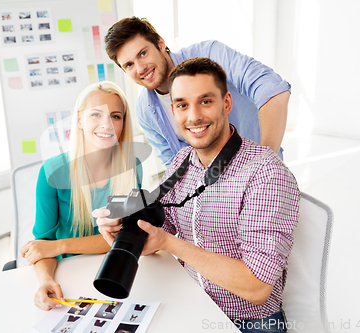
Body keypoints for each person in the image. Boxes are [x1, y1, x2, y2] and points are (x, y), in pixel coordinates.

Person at [94, 58, 299, 332]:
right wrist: (122, 224)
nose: (193, 117)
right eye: (182, 105)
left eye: (205, 101)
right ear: (173, 110)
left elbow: (258, 286)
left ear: (226, 103)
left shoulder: (264, 173)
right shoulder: (183, 161)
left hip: (250, 323)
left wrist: (169, 243)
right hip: (193, 304)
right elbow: (161, 223)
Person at [19, 81, 142, 311]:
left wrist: (59, 245)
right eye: (96, 114)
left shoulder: (131, 167)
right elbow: (42, 244)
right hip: (68, 273)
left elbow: (122, 239)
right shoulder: (52, 173)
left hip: (113, 270)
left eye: (116, 116)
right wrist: (46, 280)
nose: (106, 124)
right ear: (79, 120)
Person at [104, 16, 291, 166]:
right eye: (129, 65)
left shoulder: (210, 54)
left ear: (160, 43)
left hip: (258, 174)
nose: (140, 68)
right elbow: (174, 165)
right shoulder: (145, 110)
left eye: (143, 53)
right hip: (214, 193)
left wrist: (263, 163)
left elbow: (273, 90)